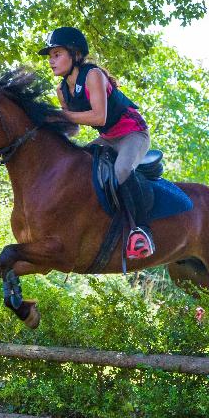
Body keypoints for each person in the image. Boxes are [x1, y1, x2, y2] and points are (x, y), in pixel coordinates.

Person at [39, 26, 155, 259]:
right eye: (50, 56)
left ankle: (142, 232)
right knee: (77, 167)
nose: (51, 61)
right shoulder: (62, 90)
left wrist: (62, 116)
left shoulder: (93, 75)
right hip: (108, 137)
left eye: (57, 54)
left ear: (75, 54)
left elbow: (98, 117)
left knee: (122, 170)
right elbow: (73, 128)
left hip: (133, 133)